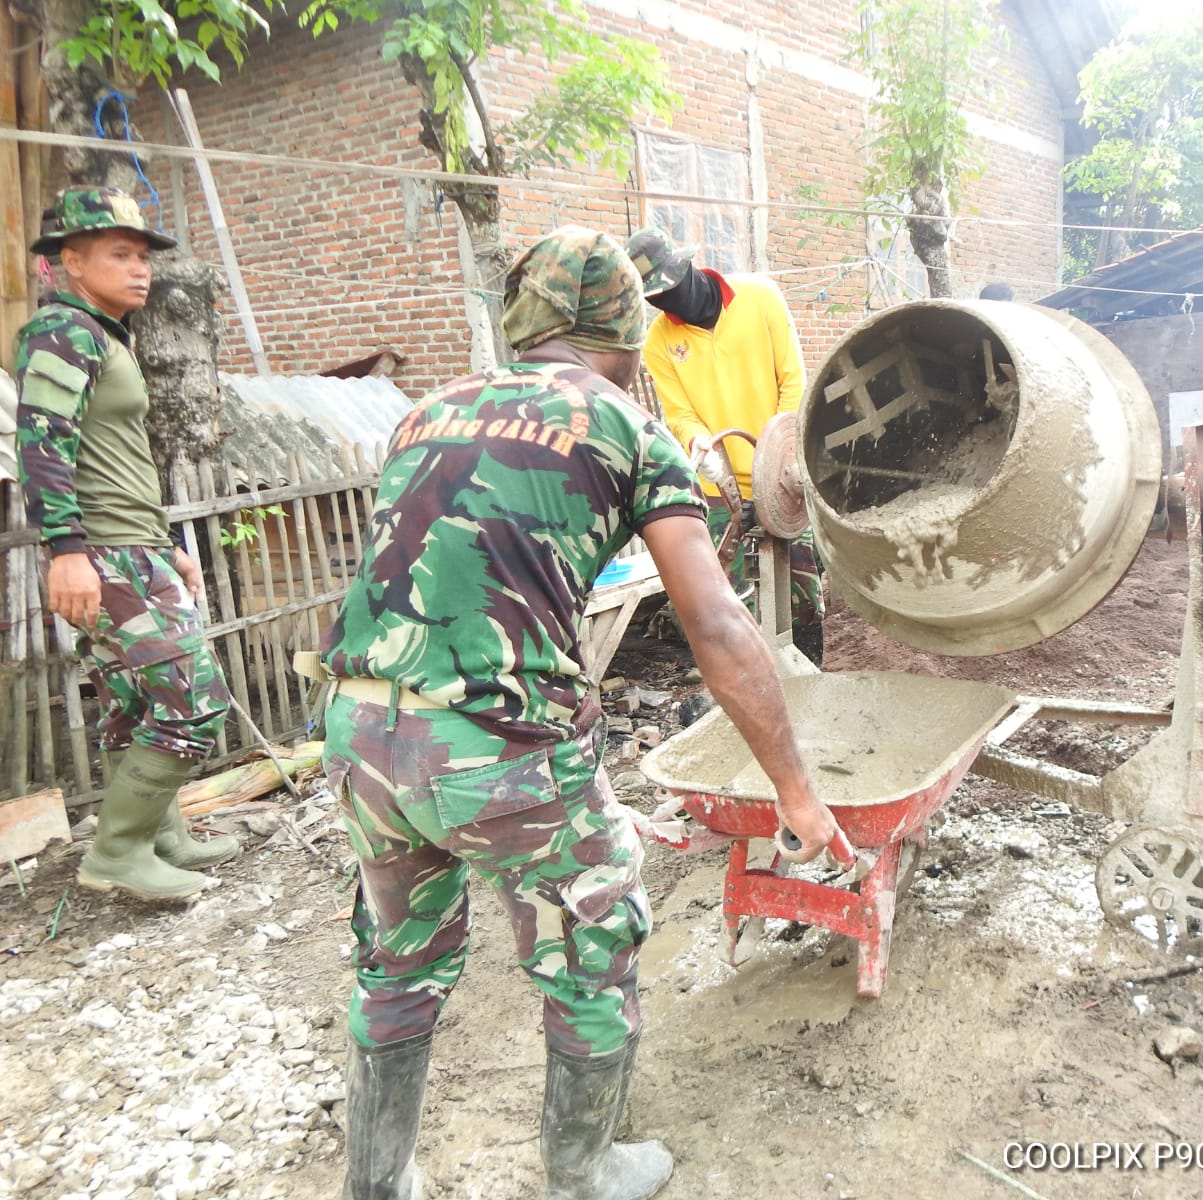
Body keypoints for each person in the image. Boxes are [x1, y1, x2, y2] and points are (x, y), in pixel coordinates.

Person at [317, 226, 845, 1200]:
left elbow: (433, 587)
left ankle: (377, 1182)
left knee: (398, 963)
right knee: (592, 943)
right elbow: (720, 628)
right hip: (505, 749)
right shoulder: (625, 427)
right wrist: (797, 791)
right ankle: (583, 1170)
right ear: (627, 329)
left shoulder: (422, 415)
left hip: (363, 738)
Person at [13, 186, 236, 902]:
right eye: (119, 254)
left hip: (129, 545)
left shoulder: (106, 335)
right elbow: (41, 443)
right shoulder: (62, 333)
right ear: (70, 262)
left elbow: (117, 456)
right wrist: (66, 550)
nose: (140, 268)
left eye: (143, 255)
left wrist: (164, 540)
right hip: (103, 553)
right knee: (193, 697)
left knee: (137, 703)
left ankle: (160, 837)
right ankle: (116, 852)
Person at [625, 228, 826, 665]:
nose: (667, 305)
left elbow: (793, 382)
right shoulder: (659, 342)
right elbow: (678, 413)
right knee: (732, 601)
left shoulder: (760, 298)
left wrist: (778, 461)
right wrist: (699, 443)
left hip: (786, 474)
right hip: (721, 488)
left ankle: (811, 678)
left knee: (801, 593)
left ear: (689, 269)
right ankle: (754, 687)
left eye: (671, 291)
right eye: (655, 298)